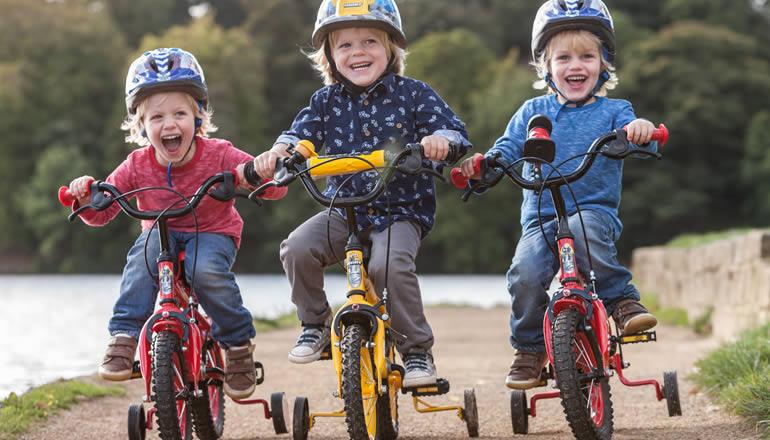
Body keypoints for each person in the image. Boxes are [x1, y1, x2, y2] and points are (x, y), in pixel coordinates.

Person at [252, 0, 471, 388]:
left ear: (391, 48)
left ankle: (417, 352)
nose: (358, 52)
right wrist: (282, 151)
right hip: (343, 210)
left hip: (401, 210)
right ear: (330, 58)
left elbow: (453, 132)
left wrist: (439, 141)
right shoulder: (324, 103)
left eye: (370, 41)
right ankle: (315, 325)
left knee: (388, 267)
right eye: (345, 45)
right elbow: (299, 136)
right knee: (296, 248)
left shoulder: (414, 95)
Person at [459, 0, 658, 390]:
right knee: (525, 273)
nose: (575, 66)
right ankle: (530, 350)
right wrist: (488, 166)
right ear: (545, 67)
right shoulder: (532, 110)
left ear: (604, 64)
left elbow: (640, 134)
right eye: (563, 57)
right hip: (540, 219)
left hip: (593, 212)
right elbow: (507, 147)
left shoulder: (616, 111)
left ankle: (622, 302)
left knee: (584, 231)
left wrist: (641, 130)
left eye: (587, 56)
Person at [67, 48, 285, 399]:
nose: (169, 124)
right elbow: (103, 211)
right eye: (156, 118)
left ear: (199, 117)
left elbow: (268, 188)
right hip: (159, 235)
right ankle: (124, 338)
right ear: (141, 126)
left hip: (212, 232)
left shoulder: (220, 154)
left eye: (180, 113)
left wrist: (262, 174)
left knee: (206, 271)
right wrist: (85, 197)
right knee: (141, 262)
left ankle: (238, 346)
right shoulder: (136, 165)